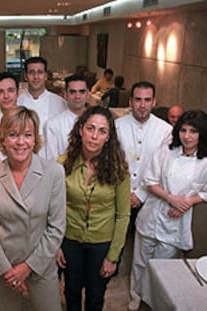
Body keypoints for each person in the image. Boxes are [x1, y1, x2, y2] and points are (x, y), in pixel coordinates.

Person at [129, 110, 207, 310]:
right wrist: (170, 198)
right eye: (183, 130)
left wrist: (186, 203)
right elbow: (149, 181)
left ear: (202, 134)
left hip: (175, 220)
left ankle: (154, 303)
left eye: (193, 132)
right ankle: (135, 298)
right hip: (152, 213)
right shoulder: (166, 152)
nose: (187, 136)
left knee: (162, 268)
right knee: (140, 263)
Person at [0, 106, 66, 311]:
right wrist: (6, 269)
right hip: (3, 267)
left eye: (27, 135)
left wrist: (28, 267)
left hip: (41, 264)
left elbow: (56, 227)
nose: (20, 142)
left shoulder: (54, 172)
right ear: (3, 139)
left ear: (35, 139)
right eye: (13, 135)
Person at [56, 106, 130, 311]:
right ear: (80, 130)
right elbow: (54, 209)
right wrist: (57, 245)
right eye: (90, 128)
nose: (95, 136)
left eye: (102, 131)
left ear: (109, 137)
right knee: (71, 292)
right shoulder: (62, 164)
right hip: (70, 240)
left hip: (102, 244)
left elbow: (123, 215)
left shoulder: (119, 169)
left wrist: (112, 257)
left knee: (95, 297)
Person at [115, 81, 172, 228]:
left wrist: (140, 195)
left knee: (141, 247)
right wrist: (124, 194)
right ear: (130, 101)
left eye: (147, 100)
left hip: (150, 200)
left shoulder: (166, 131)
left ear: (154, 102)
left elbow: (163, 169)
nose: (142, 105)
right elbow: (111, 163)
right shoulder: (117, 126)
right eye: (138, 99)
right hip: (116, 197)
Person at [17, 57, 66, 138]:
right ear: (25, 76)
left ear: (45, 76)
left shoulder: (61, 103)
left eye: (40, 72)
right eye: (31, 72)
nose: (36, 77)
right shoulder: (17, 103)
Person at [44, 74, 88, 160]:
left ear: (88, 94)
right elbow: (52, 161)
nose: (77, 96)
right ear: (65, 94)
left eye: (82, 92)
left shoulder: (99, 121)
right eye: (72, 92)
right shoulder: (53, 125)